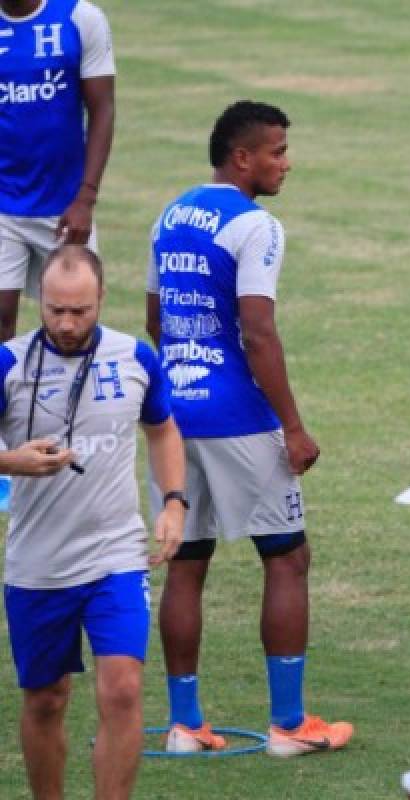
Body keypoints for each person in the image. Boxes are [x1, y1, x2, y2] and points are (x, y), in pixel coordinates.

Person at [146, 100, 353, 756]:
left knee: (185, 563)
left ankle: (184, 725)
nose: (286, 163)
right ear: (243, 157)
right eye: (277, 151)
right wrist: (292, 425)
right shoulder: (255, 225)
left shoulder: (169, 215)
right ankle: (290, 727)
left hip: (175, 414)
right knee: (287, 558)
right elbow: (258, 330)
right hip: (237, 414)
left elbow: (155, 319)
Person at [1, 245, 185, 800]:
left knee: (124, 690)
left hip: (116, 556)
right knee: (46, 698)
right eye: (55, 309)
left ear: (102, 299)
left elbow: (164, 429)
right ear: (39, 300)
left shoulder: (135, 358)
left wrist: (174, 502)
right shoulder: (9, 364)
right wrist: (13, 462)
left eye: (80, 311)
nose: (67, 323)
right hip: (38, 564)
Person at [0, 0, 115, 340]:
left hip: (65, 207)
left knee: (75, 324)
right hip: (3, 203)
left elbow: (102, 109)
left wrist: (86, 198)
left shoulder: (80, 18)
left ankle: (70, 394)